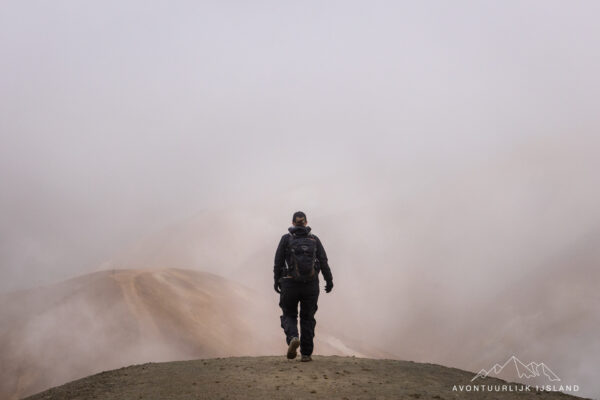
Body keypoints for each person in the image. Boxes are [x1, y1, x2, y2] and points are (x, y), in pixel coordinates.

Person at [273, 211, 334, 362]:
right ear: (306, 223)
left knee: (289, 314)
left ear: (293, 223)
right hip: (311, 285)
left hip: (289, 284)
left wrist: (276, 281)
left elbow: (278, 262)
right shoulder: (314, 239)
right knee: (307, 318)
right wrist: (329, 280)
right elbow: (324, 261)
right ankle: (306, 354)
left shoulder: (286, 239)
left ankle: (293, 337)